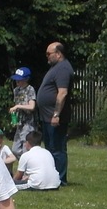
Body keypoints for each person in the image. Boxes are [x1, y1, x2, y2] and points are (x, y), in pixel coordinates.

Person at [36, 41, 74, 186]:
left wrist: (56, 114)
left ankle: (60, 179)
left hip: (55, 117)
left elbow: (62, 93)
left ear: (58, 54)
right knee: (50, 148)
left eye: (49, 54)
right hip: (47, 116)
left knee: (57, 149)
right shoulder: (56, 68)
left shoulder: (63, 69)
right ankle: (52, 177)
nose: (47, 56)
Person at [9, 67, 37, 146]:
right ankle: (23, 158)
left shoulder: (30, 89)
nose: (17, 81)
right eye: (16, 79)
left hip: (28, 123)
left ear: (26, 79)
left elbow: (32, 107)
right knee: (15, 149)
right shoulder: (16, 90)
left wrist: (18, 106)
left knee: (26, 147)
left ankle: (27, 158)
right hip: (19, 123)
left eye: (19, 79)